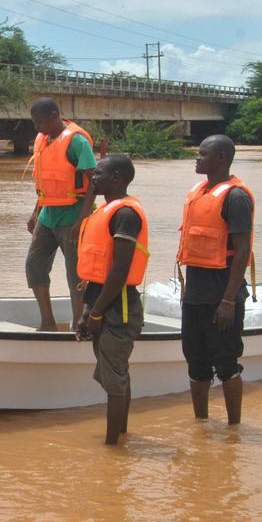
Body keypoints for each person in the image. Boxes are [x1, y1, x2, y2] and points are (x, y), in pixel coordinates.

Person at [176, 135, 253, 426]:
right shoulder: (199, 192)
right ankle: (202, 426)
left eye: (203, 153)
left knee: (226, 363)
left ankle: (234, 429)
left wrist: (228, 300)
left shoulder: (236, 197)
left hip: (222, 295)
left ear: (221, 159)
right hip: (195, 294)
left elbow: (243, 249)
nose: (197, 158)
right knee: (196, 363)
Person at [74, 155, 149, 444]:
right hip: (101, 302)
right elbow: (77, 239)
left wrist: (97, 313)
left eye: (99, 174)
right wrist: (87, 310)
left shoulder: (126, 214)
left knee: (115, 378)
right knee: (116, 375)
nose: (93, 177)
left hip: (119, 306)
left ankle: (113, 447)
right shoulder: (104, 211)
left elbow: (119, 271)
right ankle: (120, 434)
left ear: (117, 178)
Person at [26, 97, 97, 331]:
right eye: (35, 123)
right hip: (47, 215)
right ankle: (47, 322)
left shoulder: (76, 141)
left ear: (54, 116)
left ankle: (79, 325)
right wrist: (36, 212)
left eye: (40, 122)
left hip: (73, 215)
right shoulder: (42, 140)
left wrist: (82, 219)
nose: (38, 128)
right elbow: (47, 182)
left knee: (75, 275)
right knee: (34, 265)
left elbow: (94, 182)